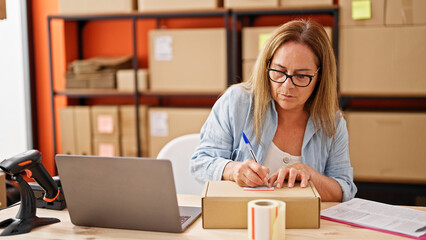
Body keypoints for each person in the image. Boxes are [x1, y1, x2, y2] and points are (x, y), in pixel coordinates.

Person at [190, 19, 357, 202]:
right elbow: (200, 163)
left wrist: (311, 176)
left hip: (306, 225)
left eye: (301, 76)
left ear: (320, 77)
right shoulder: (236, 103)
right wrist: (233, 170)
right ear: (267, 66)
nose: (287, 85)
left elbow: (345, 190)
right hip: (241, 220)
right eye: (279, 71)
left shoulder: (332, 123)